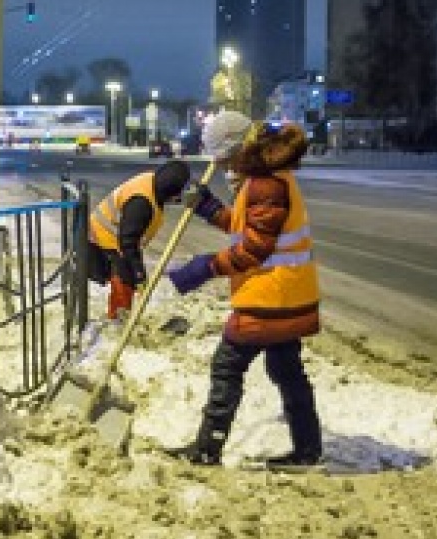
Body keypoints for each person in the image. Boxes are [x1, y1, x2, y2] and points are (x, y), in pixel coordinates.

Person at [164, 121, 323, 471]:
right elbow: (244, 225)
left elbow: (253, 249)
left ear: (235, 150)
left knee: (227, 365)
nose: (218, 166)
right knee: (287, 370)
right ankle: (308, 451)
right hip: (284, 293)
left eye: (220, 158)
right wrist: (208, 208)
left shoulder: (265, 184)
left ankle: (208, 449)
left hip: (269, 295)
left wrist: (203, 268)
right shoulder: (264, 177)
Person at [87, 160, 191, 320]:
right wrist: (139, 272)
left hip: (117, 236)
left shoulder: (153, 182)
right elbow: (128, 242)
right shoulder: (141, 203)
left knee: (129, 277)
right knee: (125, 280)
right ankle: (118, 320)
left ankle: (122, 316)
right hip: (104, 236)